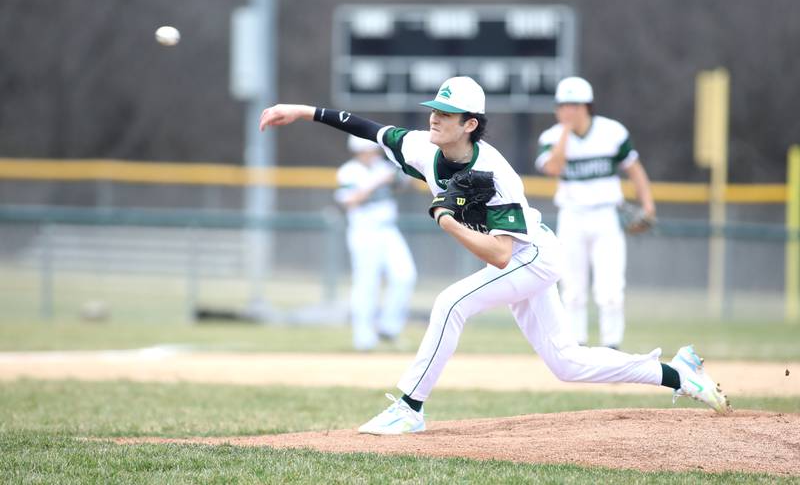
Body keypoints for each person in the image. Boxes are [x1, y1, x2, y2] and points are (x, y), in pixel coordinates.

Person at [259, 76, 729, 435]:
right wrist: (298, 110)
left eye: (448, 113)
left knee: (450, 303)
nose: (435, 118)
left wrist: (446, 219)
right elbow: (364, 127)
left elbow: (502, 255)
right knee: (567, 364)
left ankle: (409, 409)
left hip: (532, 255)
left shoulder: (496, 172)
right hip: (524, 257)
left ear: (471, 123)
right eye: (435, 109)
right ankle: (677, 373)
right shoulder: (423, 147)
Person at [535, 76, 656, 350]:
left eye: (574, 105)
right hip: (572, 216)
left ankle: (611, 346)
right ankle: (576, 347)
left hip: (606, 217)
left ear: (587, 106)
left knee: (611, 290)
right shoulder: (551, 137)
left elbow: (634, 169)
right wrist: (565, 132)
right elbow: (553, 167)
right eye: (563, 105)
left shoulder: (612, 132)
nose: (567, 110)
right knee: (573, 290)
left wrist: (648, 205)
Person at [335, 135, 417, 351]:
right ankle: (363, 337)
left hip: (389, 229)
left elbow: (405, 183)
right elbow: (349, 201)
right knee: (366, 284)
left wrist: (400, 173)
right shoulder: (349, 171)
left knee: (405, 275)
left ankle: (389, 327)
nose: (372, 154)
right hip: (364, 231)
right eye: (368, 150)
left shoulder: (384, 167)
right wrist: (376, 182)